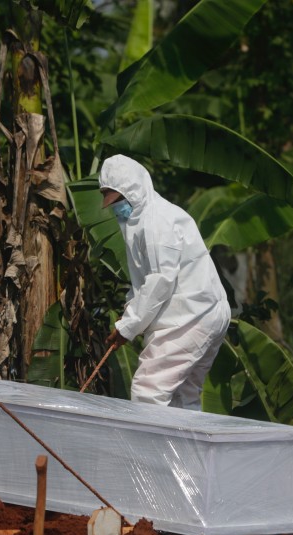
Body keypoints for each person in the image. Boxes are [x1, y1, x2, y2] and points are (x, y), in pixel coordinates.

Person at [98, 155, 230, 410]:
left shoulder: (156, 221)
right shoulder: (142, 221)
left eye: (118, 199)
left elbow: (161, 280)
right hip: (202, 313)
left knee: (149, 390)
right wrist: (129, 317)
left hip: (192, 316)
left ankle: (148, 451)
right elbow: (143, 283)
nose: (115, 207)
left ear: (132, 190)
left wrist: (128, 326)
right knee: (183, 397)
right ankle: (187, 450)